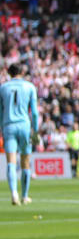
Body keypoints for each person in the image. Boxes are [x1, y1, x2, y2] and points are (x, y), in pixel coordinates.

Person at [0, 63, 38, 205]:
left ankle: (14, 193)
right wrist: (35, 130)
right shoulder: (29, 87)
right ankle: (25, 195)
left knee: (11, 162)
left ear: (9, 73)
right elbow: (34, 113)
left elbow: (0, 112)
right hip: (25, 126)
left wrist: (1, 129)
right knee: (25, 163)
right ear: (21, 72)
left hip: (8, 126)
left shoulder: (3, 88)